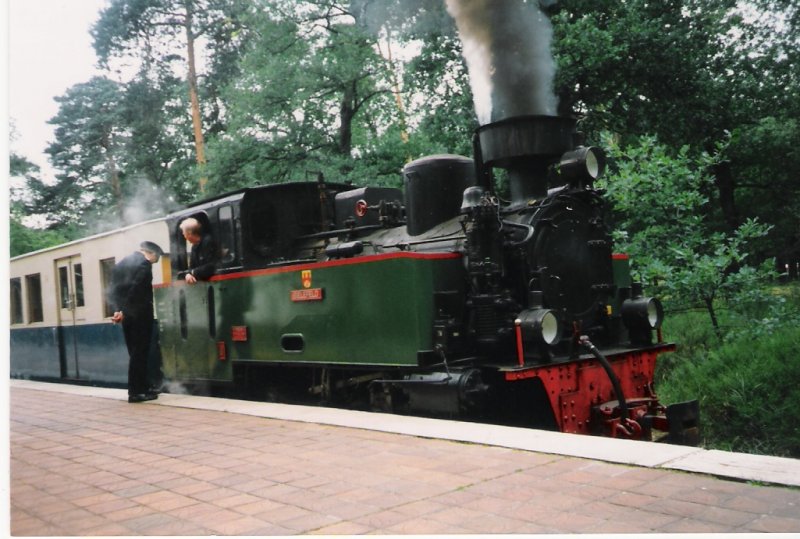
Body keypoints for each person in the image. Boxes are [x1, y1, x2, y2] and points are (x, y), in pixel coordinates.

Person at [108, 241, 164, 403]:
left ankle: (143, 388)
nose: (155, 262)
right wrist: (125, 310)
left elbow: (113, 289)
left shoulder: (121, 263)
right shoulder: (144, 265)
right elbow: (136, 289)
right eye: (157, 258)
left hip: (126, 316)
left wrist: (118, 310)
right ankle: (136, 392)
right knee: (140, 353)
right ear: (151, 253)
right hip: (139, 315)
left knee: (134, 353)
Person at [179, 217, 217, 284]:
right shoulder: (194, 247)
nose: (183, 234)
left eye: (184, 232)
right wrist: (188, 274)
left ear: (189, 233)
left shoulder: (208, 242)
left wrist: (192, 273)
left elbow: (212, 266)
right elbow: (191, 267)